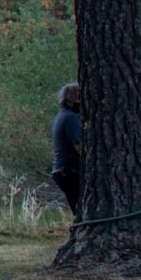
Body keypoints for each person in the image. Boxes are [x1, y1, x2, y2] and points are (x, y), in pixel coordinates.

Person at [51, 82, 82, 218]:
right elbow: (79, 146)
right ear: (72, 99)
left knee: (79, 209)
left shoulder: (62, 115)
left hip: (62, 171)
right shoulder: (70, 118)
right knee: (81, 210)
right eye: (79, 96)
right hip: (68, 172)